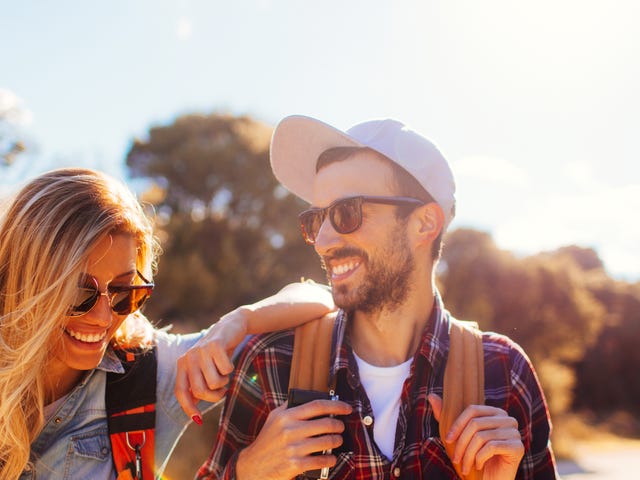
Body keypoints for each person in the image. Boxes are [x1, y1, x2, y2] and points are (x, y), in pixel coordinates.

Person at [197, 115, 559, 479]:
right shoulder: (272, 363)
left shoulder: (504, 372)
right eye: (315, 219)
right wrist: (247, 471)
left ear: (424, 224)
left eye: (345, 213)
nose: (322, 242)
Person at [0, 168, 334, 480]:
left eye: (124, 292)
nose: (104, 317)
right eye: (79, 293)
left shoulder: (150, 375)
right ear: (23, 278)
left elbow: (320, 297)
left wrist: (238, 321)